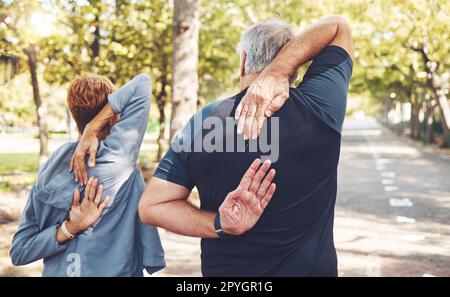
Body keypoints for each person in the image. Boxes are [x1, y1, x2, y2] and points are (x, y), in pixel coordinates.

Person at [138, 15, 353, 276]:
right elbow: (338, 26)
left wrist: (219, 223)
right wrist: (279, 69)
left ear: (243, 61)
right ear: (297, 64)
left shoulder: (204, 122)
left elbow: (152, 207)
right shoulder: (320, 107)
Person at [10, 73, 166, 276]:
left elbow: (19, 252)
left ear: (74, 116)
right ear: (113, 117)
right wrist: (94, 127)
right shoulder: (117, 158)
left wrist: (67, 230)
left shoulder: (47, 172)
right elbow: (142, 84)